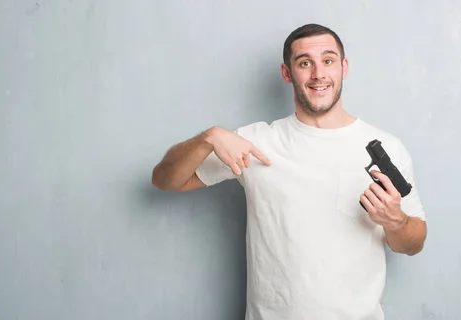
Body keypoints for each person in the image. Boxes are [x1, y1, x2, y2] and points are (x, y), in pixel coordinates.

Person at [152, 23, 427, 320]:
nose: (318, 74)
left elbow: (413, 244)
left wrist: (395, 221)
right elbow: (165, 180)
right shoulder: (255, 143)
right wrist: (208, 138)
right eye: (305, 63)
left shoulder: (387, 148)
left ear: (344, 67)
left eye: (328, 61)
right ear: (287, 73)